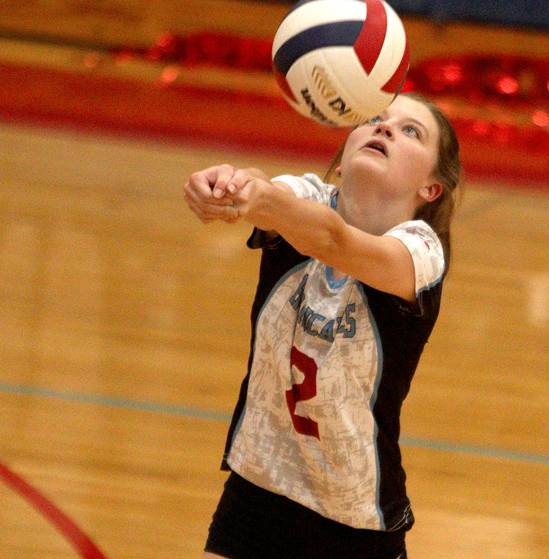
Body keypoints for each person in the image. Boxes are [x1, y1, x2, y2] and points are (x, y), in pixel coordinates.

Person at [182, 92, 461, 559]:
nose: (385, 128)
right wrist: (228, 186)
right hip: (259, 486)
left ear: (431, 188)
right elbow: (271, 192)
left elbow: (331, 238)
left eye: (411, 131)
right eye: (375, 119)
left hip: (354, 519)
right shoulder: (307, 197)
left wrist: (259, 198)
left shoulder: (421, 252)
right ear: (343, 155)